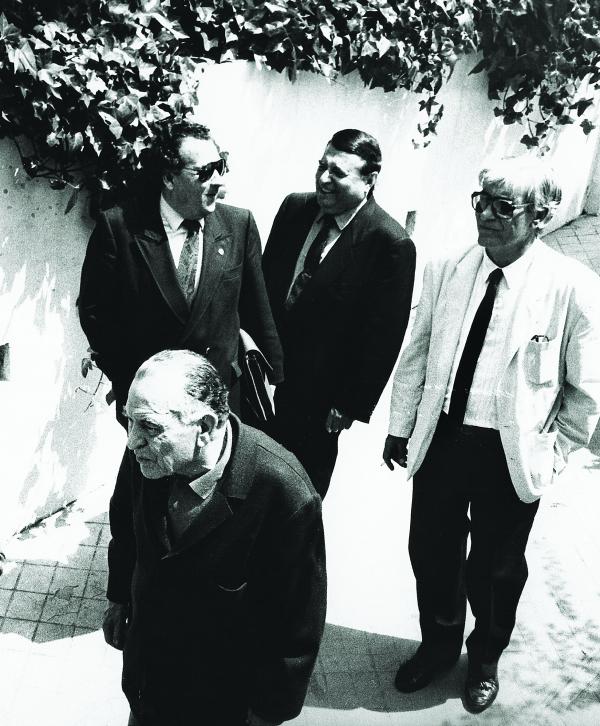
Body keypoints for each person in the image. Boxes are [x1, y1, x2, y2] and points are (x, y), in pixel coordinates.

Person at [383, 156, 600, 713]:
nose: (486, 215)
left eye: (505, 207)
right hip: (444, 438)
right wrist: (401, 427)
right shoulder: (447, 269)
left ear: (541, 216)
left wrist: (553, 454)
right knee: (431, 551)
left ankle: (484, 658)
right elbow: (417, 352)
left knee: (497, 569)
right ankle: (438, 646)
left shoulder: (573, 287)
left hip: (511, 452)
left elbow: (586, 391)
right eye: (482, 201)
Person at [104, 350, 326, 726]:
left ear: (204, 427)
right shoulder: (148, 458)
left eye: (149, 426)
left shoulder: (285, 494)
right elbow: (124, 525)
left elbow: (297, 624)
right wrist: (119, 597)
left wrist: (268, 713)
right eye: (129, 420)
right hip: (148, 685)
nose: (132, 441)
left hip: (221, 703)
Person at [78, 119, 283, 422]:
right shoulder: (121, 227)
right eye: (204, 172)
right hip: (153, 403)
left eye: (220, 167)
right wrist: (130, 380)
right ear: (169, 178)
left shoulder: (239, 225)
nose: (218, 182)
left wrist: (275, 380)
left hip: (219, 399)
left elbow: (257, 310)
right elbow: (96, 314)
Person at [262, 128, 416, 498]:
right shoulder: (294, 208)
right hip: (263, 377)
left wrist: (349, 402)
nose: (324, 179)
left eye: (338, 173)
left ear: (369, 180)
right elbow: (266, 281)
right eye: (321, 167)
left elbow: (383, 334)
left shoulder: (389, 242)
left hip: (318, 394)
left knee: (299, 490)